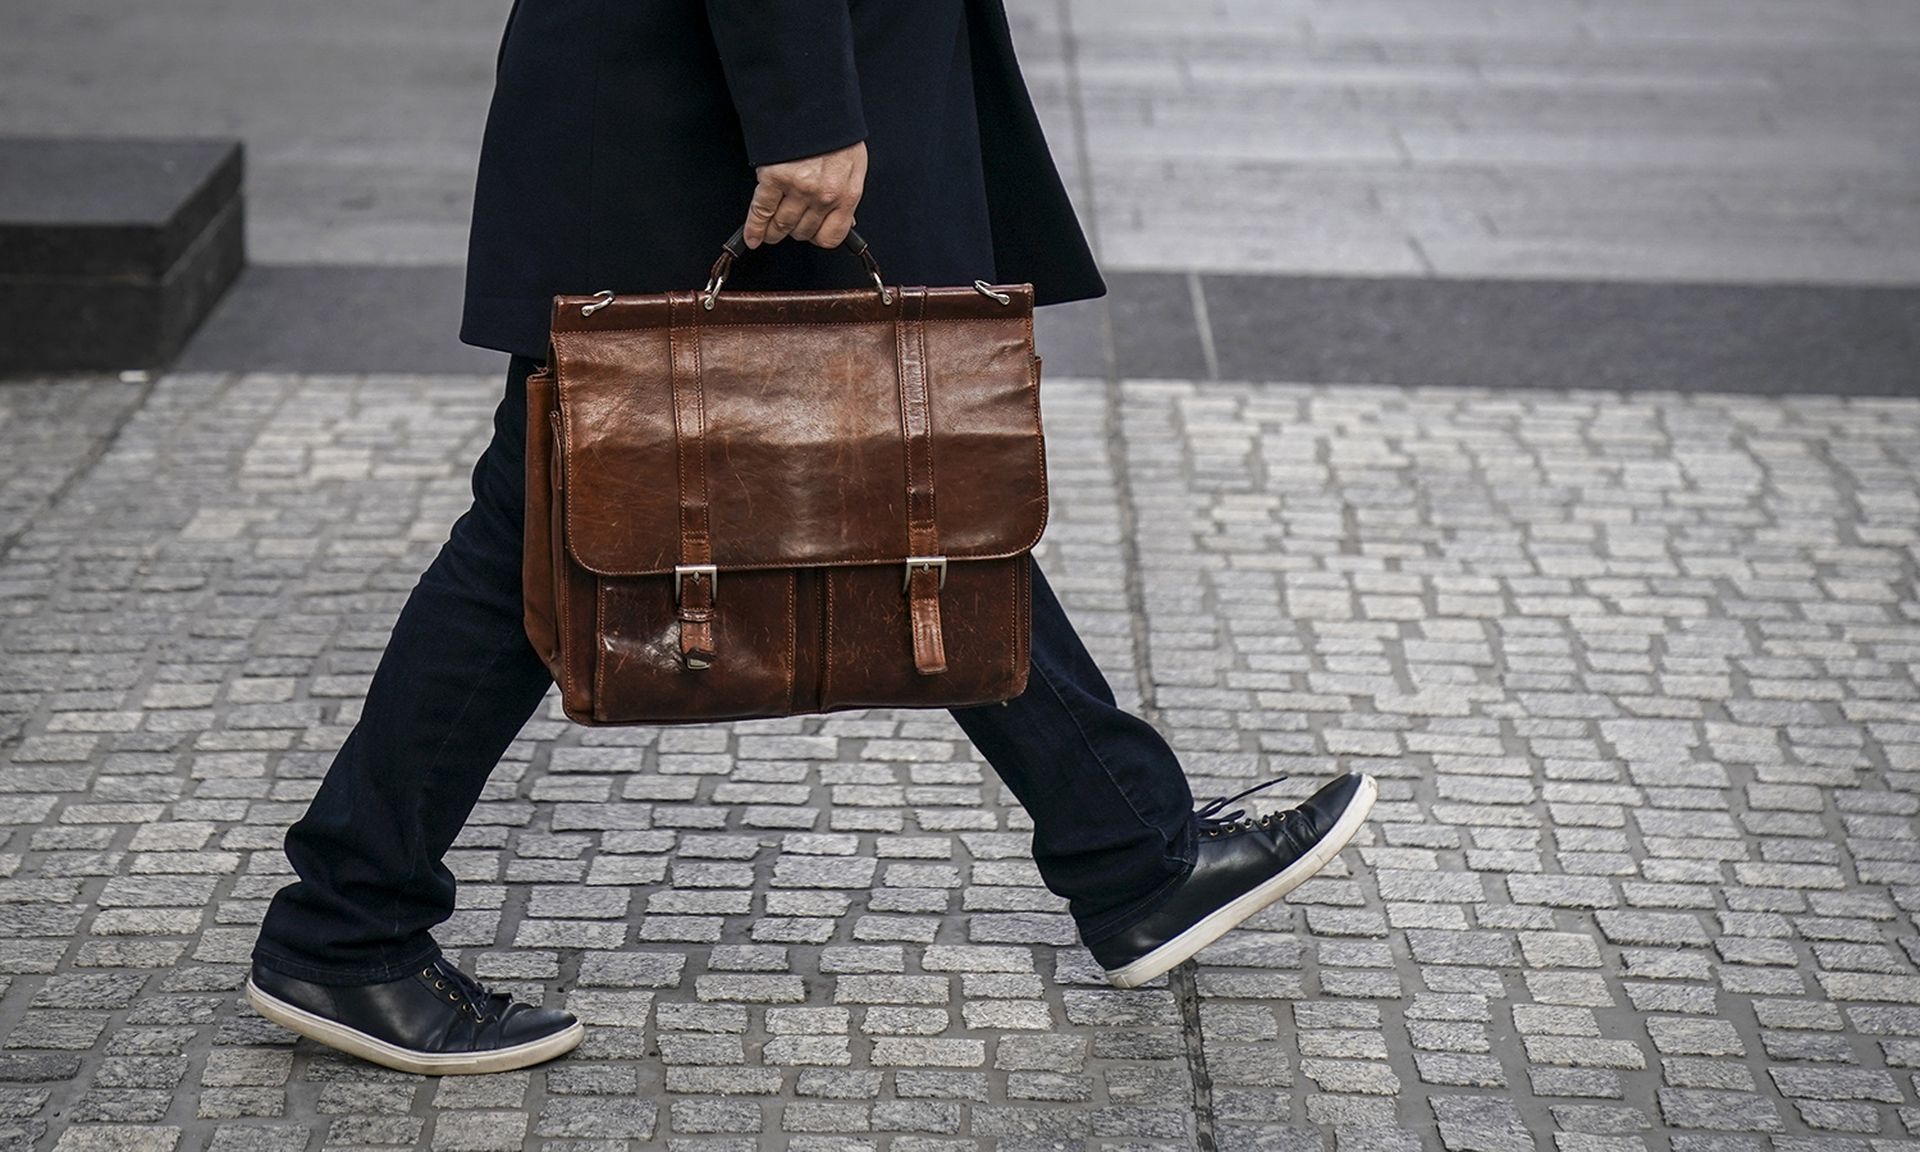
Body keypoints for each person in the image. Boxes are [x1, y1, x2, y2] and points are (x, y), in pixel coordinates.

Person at [242, 0, 1377, 1076]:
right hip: (719, 96)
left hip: (744, 77)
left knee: (884, 477)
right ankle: (345, 929)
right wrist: (804, 111)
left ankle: (1133, 853)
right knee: (558, 508)